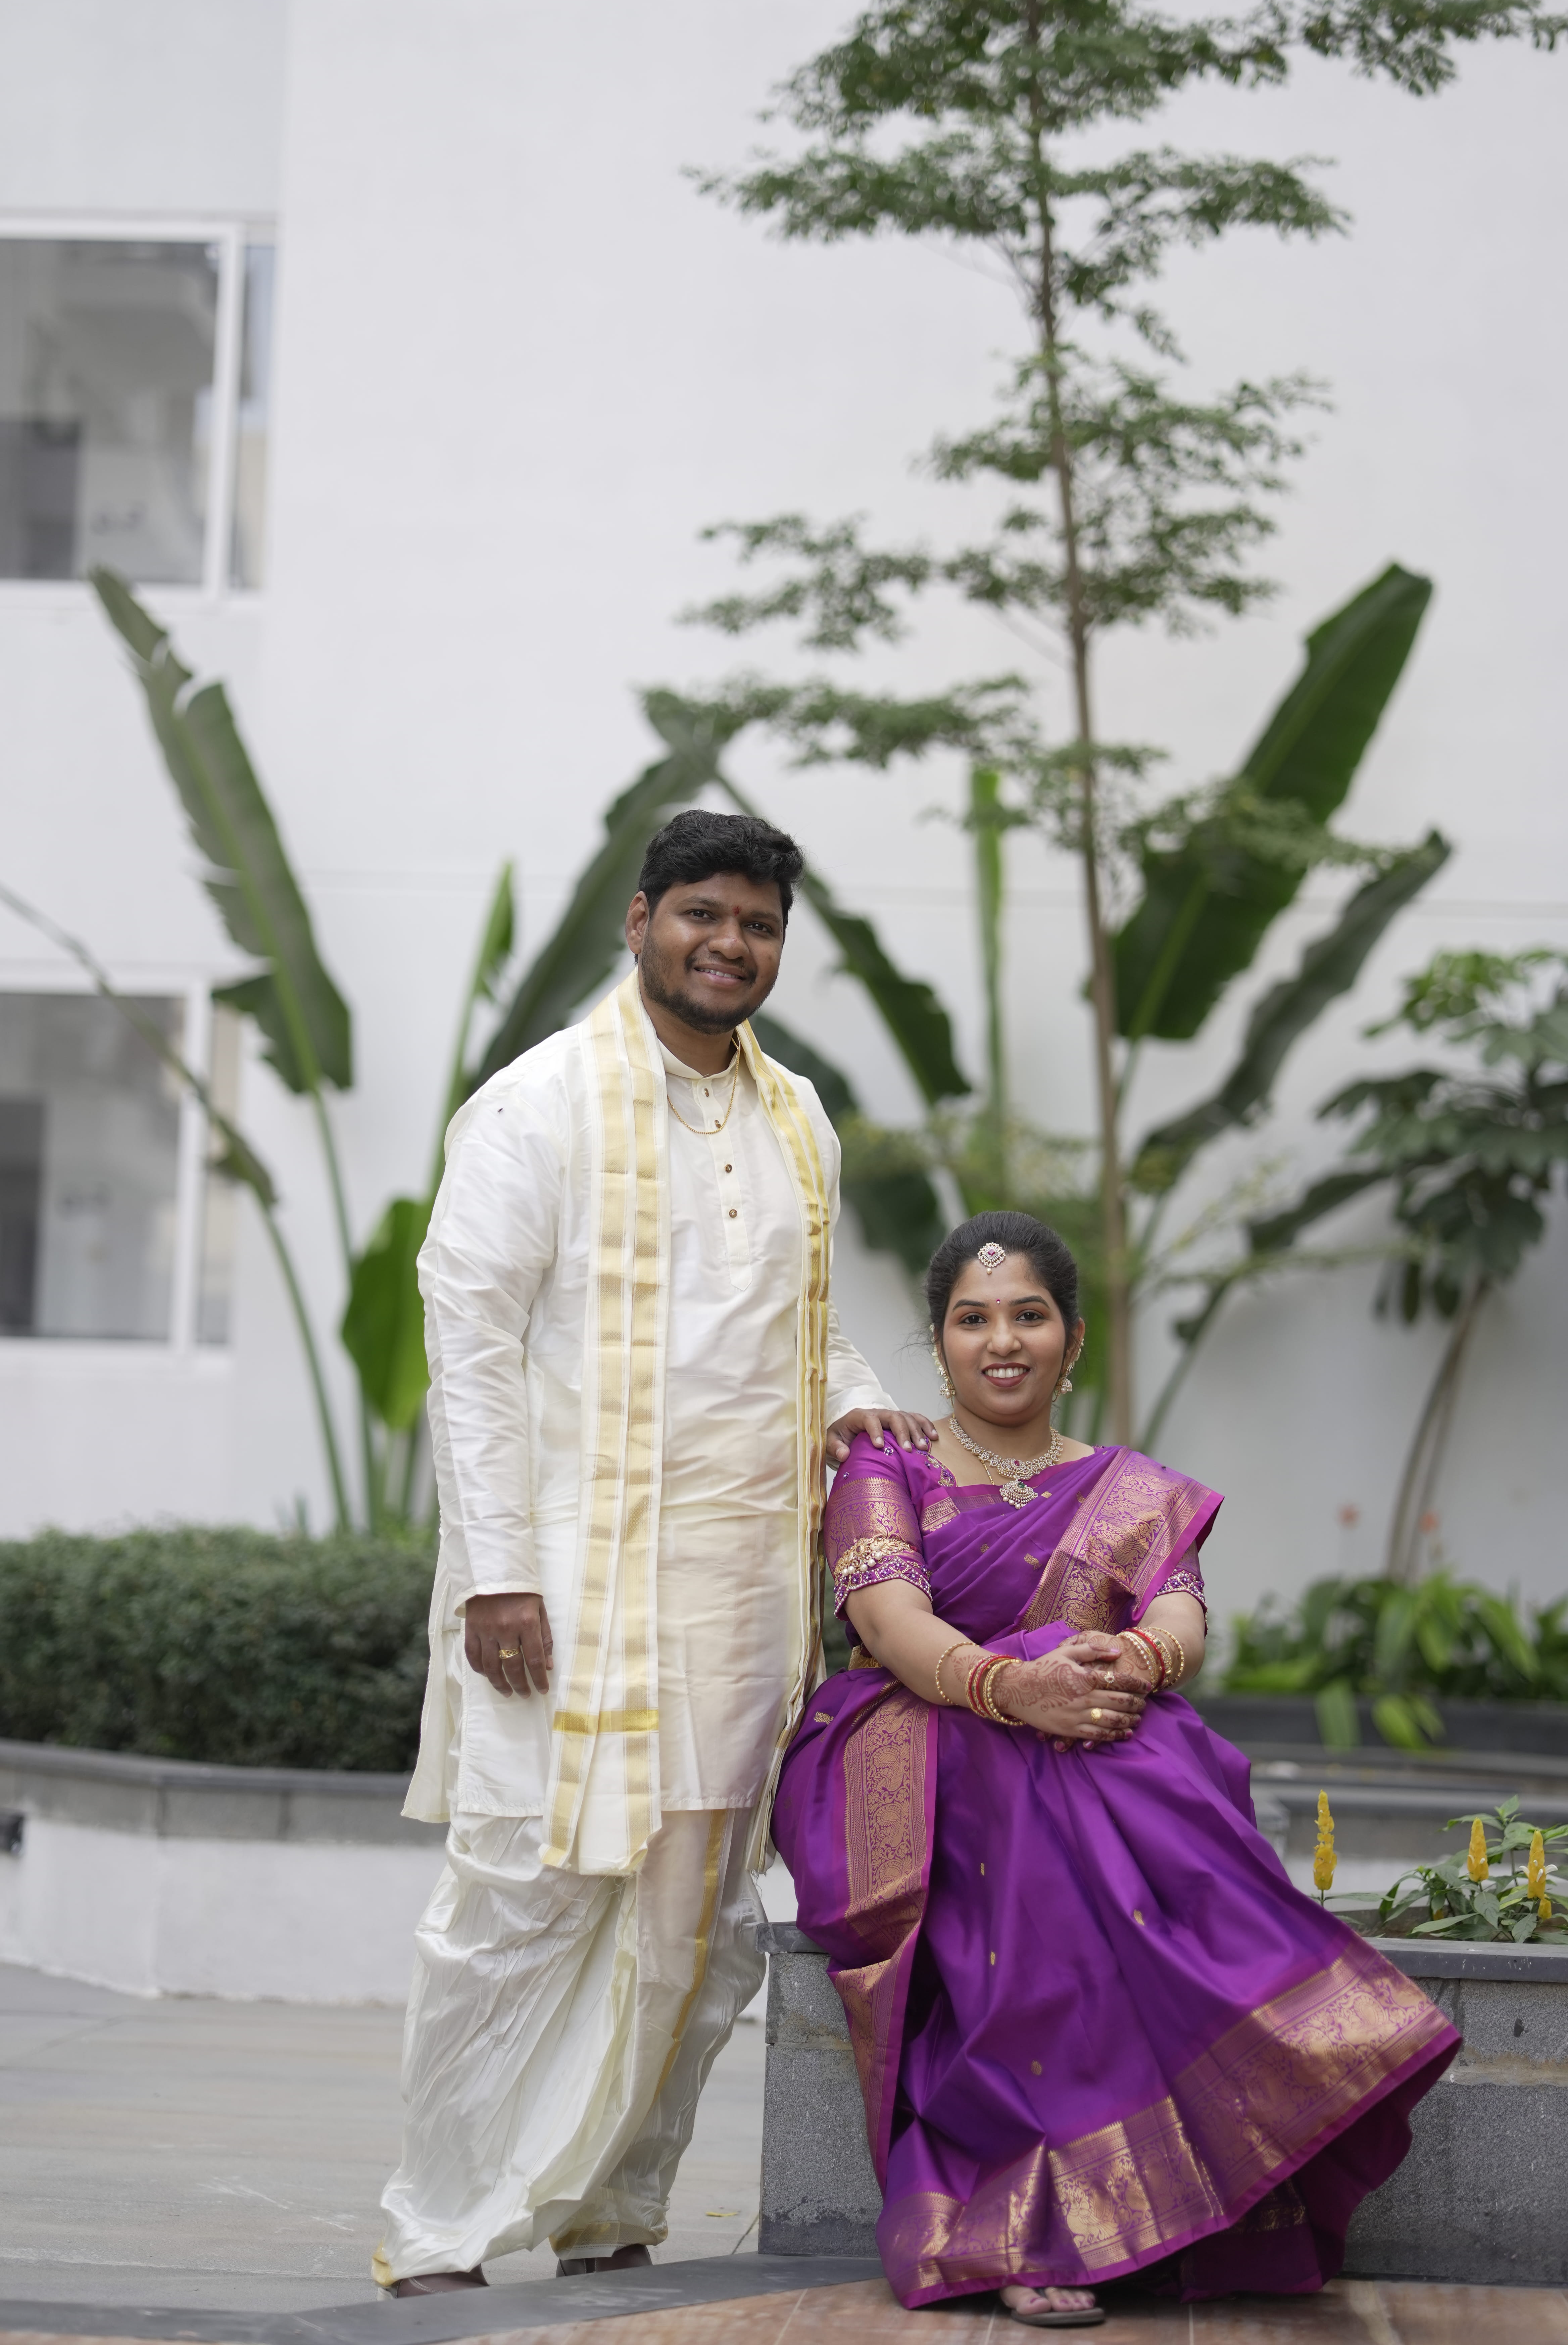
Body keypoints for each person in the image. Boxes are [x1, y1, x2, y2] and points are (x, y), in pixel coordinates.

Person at [375, 809, 929, 2295]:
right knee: (523, 1894)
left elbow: (805, 1331)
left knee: (699, 1910)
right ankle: (442, 2224)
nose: (728, 944)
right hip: (565, 1584)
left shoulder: (795, 1116)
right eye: (702, 914)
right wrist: (497, 1570)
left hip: (741, 1592)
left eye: (757, 924)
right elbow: (470, 1344)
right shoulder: (536, 1104)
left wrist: (866, 1410)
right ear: (641, 922)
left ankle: (611, 2206)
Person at [773, 1210, 1459, 2329]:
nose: (1003, 1341)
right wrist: (1016, 1687)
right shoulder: (886, 1465)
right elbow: (890, 1622)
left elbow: (1180, 1614)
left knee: (1139, 1761)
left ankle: (1224, 2123)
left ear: (1074, 1338)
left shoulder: (1131, 1488)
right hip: (909, 1735)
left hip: (1084, 1737)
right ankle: (1022, 2222)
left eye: (1029, 1316)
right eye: (972, 1320)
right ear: (939, 1344)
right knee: (1041, 1779)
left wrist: (1131, 1661)